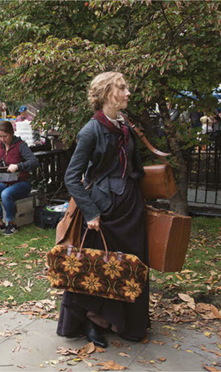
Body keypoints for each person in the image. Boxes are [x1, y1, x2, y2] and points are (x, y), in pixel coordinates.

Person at [57, 71, 148, 347]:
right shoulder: (90, 130)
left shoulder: (126, 125)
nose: (128, 93)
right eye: (122, 88)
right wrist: (91, 212)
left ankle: (127, 323)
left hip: (130, 210)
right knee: (98, 270)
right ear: (108, 93)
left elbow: (134, 169)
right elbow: (71, 177)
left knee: (130, 267)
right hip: (103, 213)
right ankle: (93, 323)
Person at [0, 121, 39, 236]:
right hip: (5, 181)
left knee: (6, 194)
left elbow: (34, 161)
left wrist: (18, 166)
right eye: (0, 137)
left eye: (5, 136)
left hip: (22, 182)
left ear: (11, 133)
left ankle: (12, 223)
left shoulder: (21, 145)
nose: (2, 139)